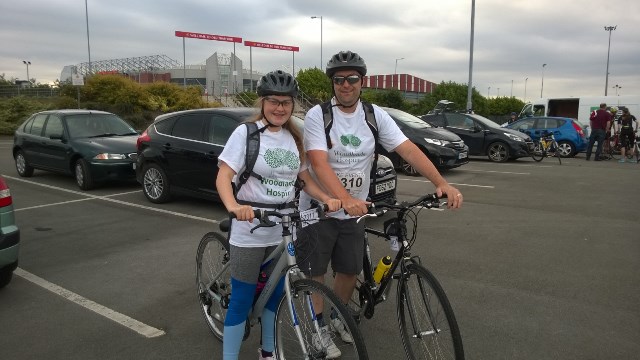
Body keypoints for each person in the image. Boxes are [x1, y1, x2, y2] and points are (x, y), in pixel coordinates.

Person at [296, 50, 463, 358]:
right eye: (339, 80)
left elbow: (408, 150)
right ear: (332, 84)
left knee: (348, 270)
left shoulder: (374, 115)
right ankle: (318, 329)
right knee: (315, 272)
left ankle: (337, 316)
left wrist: (440, 182)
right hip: (319, 208)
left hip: (355, 210)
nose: (346, 85)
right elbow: (318, 163)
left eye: (352, 79)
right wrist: (343, 199)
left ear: (363, 82)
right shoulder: (319, 116)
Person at [215, 70, 341, 360]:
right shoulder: (245, 134)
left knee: (275, 296)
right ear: (262, 102)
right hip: (250, 228)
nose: (280, 108)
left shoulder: (293, 139)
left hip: (283, 227)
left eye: (286, 102)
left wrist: (326, 198)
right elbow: (224, 176)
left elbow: (304, 179)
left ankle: (268, 352)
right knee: (242, 299)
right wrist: (234, 207)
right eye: (273, 101)